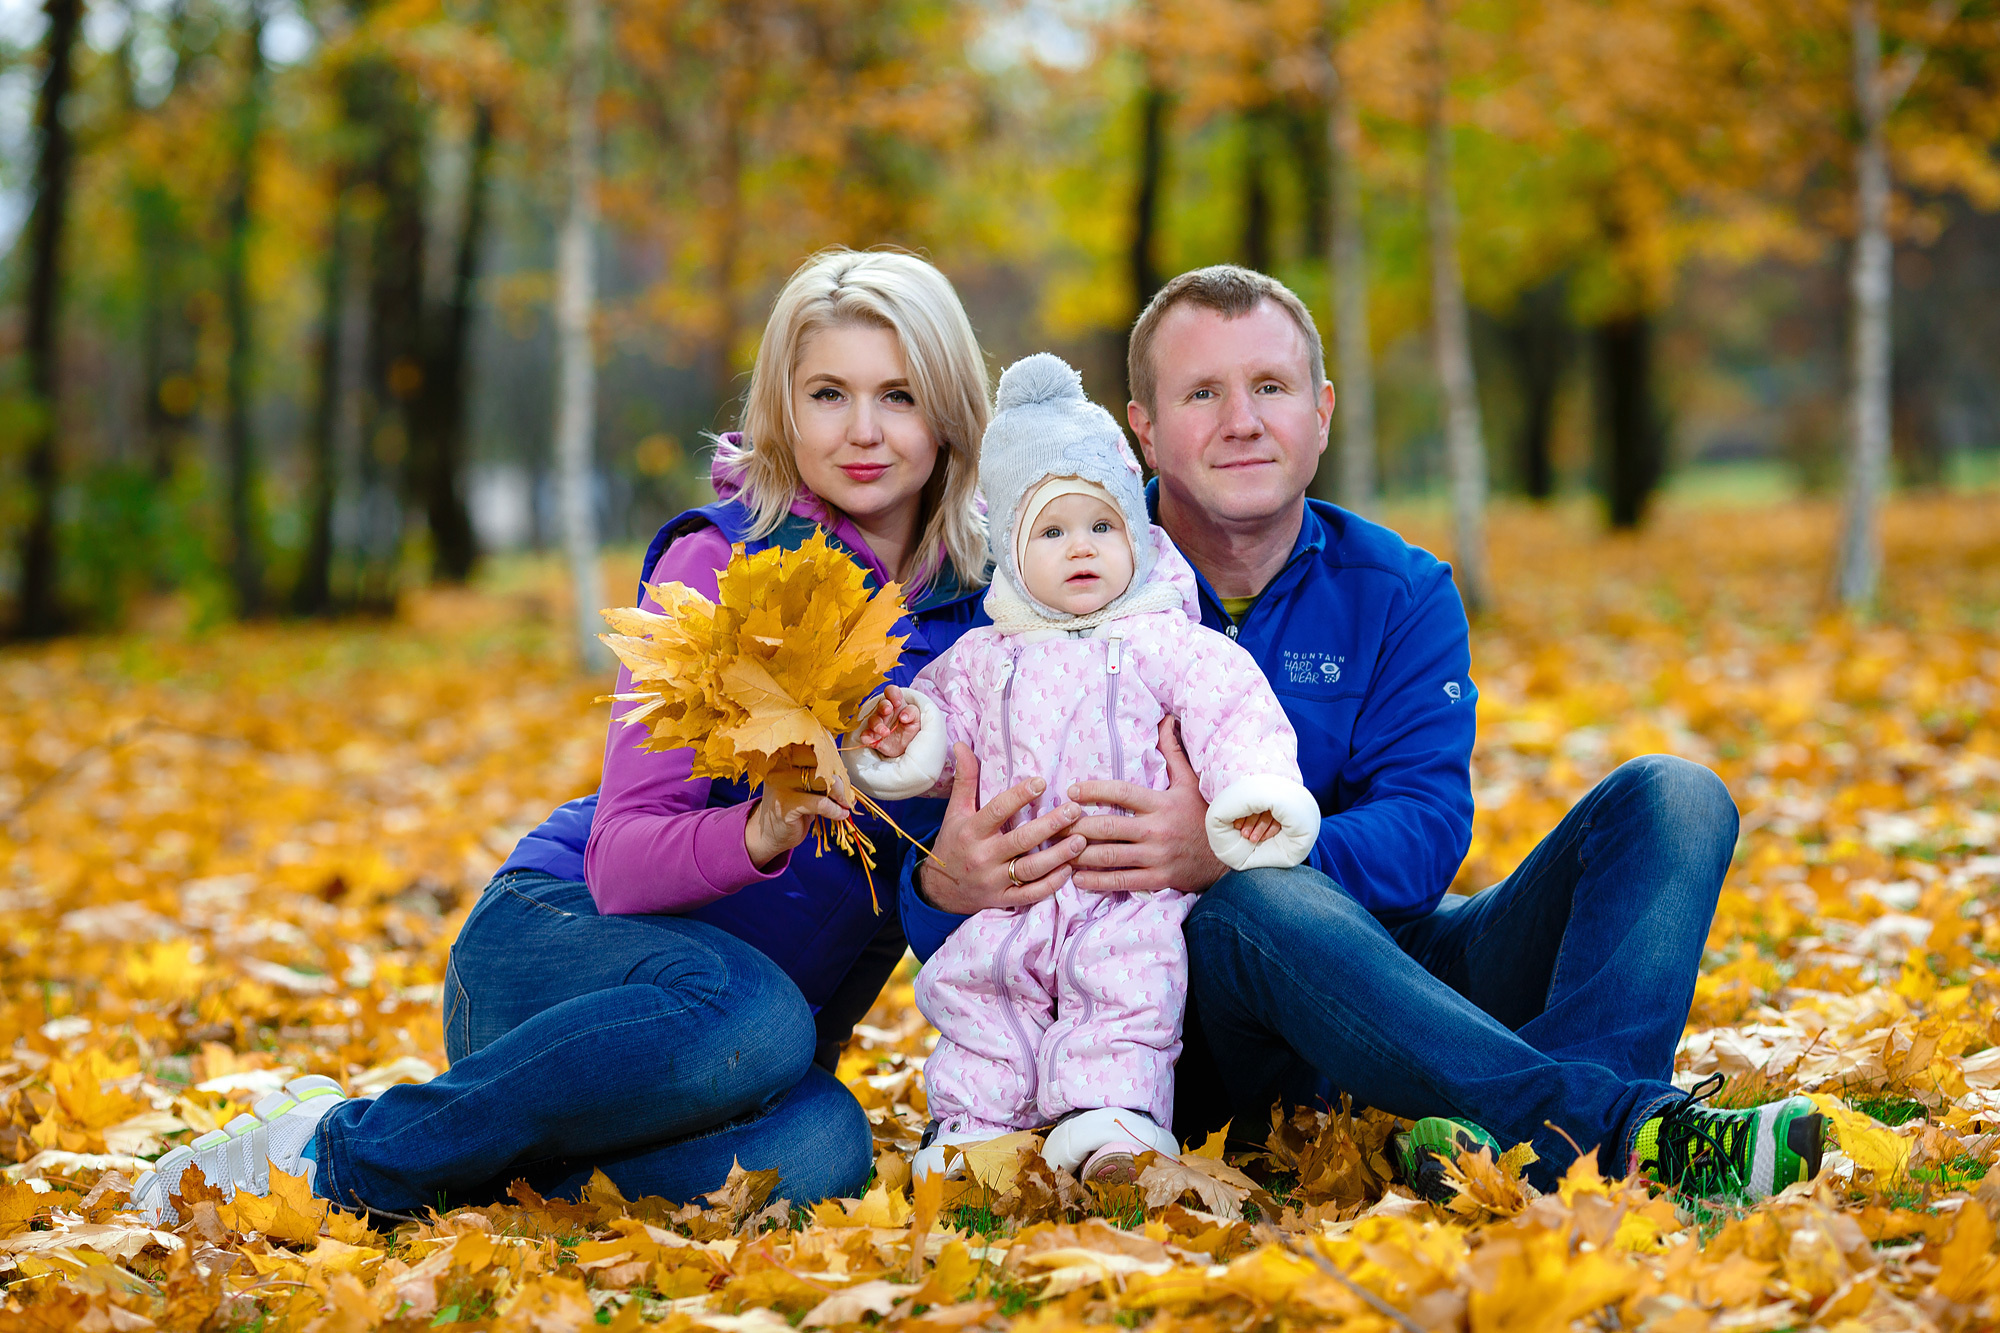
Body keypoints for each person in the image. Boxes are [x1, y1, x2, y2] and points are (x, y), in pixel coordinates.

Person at [898, 265, 1825, 1203]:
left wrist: (1215, 848)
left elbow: (1426, 832)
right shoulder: (1047, 580)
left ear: (1323, 409)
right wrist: (938, 884)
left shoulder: (1400, 588)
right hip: (1173, 1016)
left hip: (1403, 968)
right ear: (1143, 428)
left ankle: (1515, 1137)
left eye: (1270, 386)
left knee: (1675, 796)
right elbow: (942, 816)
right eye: (1202, 393)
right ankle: (1618, 1134)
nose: (1242, 420)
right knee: (1266, 902)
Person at [134, 249, 996, 1223]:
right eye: (829, 393)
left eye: (899, 395)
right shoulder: (720, 563)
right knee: (756, 1017)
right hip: (559, 962)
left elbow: (932, 899)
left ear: (949, 411)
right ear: (782, 410)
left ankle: (461, 1177)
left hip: (718, 1063)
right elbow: (624, 862)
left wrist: (943, 883)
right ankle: (336, 1156)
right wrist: (756, 832)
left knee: (820, 1152)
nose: (864, 431)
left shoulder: (983, 625)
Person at [848, 354, 1319, 1185]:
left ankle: (1112, 1129)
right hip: (1017, 890)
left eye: (1102, 527)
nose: (1081, 550)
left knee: (1126, 996)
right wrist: (901, 737)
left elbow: (1236, 713)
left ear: (1134, 537)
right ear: (1010, 551)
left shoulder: (1171, 641)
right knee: (983, 995)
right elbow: (937, 733)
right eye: (1052, 532)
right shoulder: (979, 657)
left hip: (1125, 892)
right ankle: (972, 1134)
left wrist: (1254, 796)